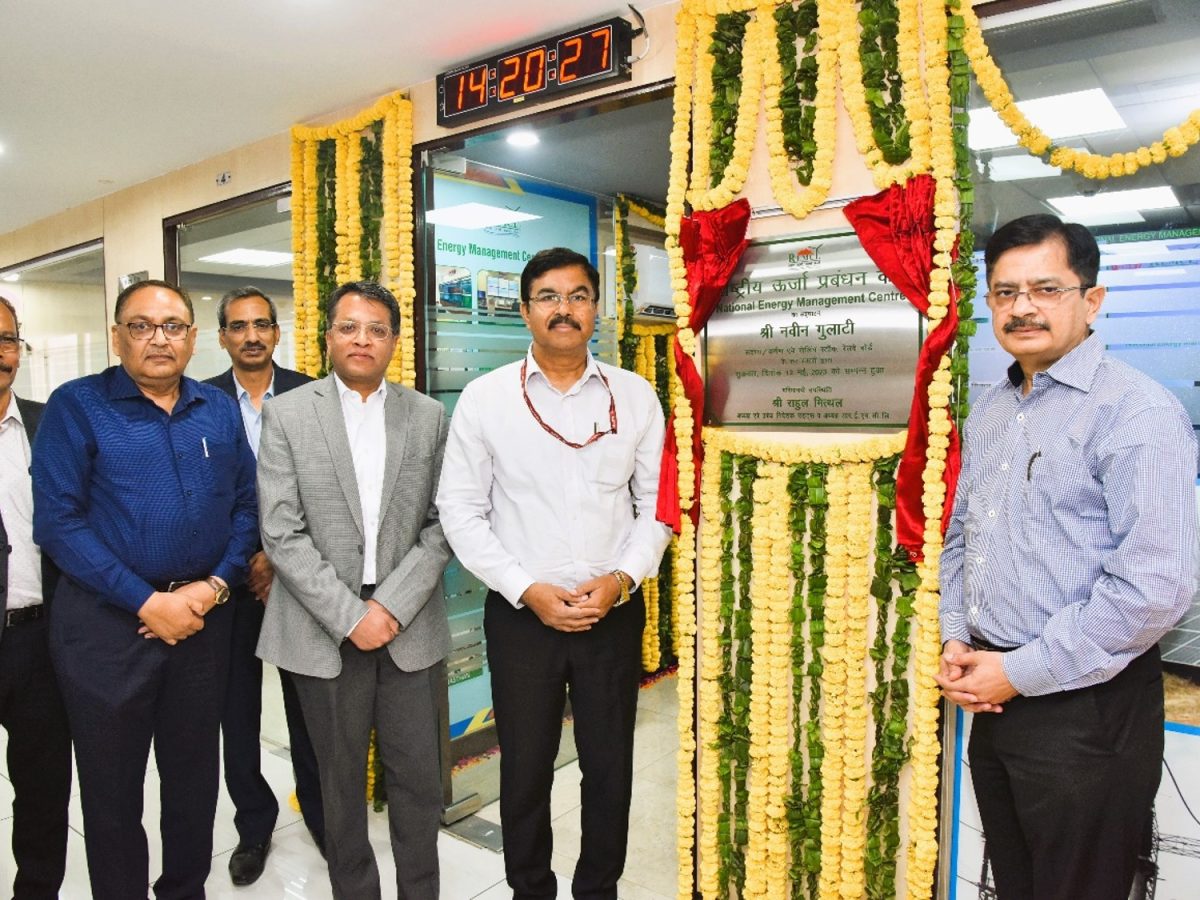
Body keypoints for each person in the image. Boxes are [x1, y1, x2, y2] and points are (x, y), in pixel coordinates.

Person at [935, 214, 1198, 900]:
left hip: (1087, 712)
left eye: (1046, 288)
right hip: (996, 698)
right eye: (1004, 291)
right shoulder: (993, 410)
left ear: (1092, 300)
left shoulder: (1136, 413)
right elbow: (964, 534)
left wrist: (1019, 671)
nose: (1022, 306)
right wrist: (957, 635)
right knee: (1016, 883)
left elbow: (1154, 587)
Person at [437, 247, 671, 900]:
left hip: (611, 616)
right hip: (522, 620)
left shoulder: (636, 395)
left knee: (608, 770)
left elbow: (658, 506)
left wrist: (622, 578)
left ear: (596, 307)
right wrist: (526, 589)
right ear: (525, 310)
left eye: (576, 295)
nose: (563, 309)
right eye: (547, 296)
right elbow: (460, 510)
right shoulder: (486, 401)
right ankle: (530, 890)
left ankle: (598, 890)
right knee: (526, 773)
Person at [32, 279, 258, 899]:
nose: (159, 339)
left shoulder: (216, 409)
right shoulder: (75, 406)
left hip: (202, 623)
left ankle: (185, 890)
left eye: (173, 326)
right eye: (142, 326)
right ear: (117, 336)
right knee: (112, 795)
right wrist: (146, 601)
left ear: (191, 337)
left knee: (193, 784)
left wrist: (212, 587)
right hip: (107, 631)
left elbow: (247, 506)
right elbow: (57, 523)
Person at [256, 281, 450, 900]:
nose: (362, 339)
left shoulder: (428, 415)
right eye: (349, 327)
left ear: (395, 340)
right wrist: (350, 615)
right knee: (338, 786)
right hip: (322, 626)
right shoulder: (287, 413)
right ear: (328, 336)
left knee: (419, 782)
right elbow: (280, 531)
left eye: (376, 329)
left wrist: (388, 607)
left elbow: (444, 523)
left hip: (408, 620)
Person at [205, 286, 324, 884]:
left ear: (278, 333)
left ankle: (325, 816)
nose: (251, 335)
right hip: (230, 584)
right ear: (222, 336)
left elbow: (331, 492)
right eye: (237, 326)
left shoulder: (313, 394)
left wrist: (279, 560)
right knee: (237, 711)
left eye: (261, 324)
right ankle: (254, 825)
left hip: (298, 582)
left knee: (310, 708)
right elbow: (201, 499)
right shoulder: (200, 401)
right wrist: (244, 561)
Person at [0, 296, 72, 899]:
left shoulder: (51, 423)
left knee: (44, 785)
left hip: (41, 640)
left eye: (6, 340)